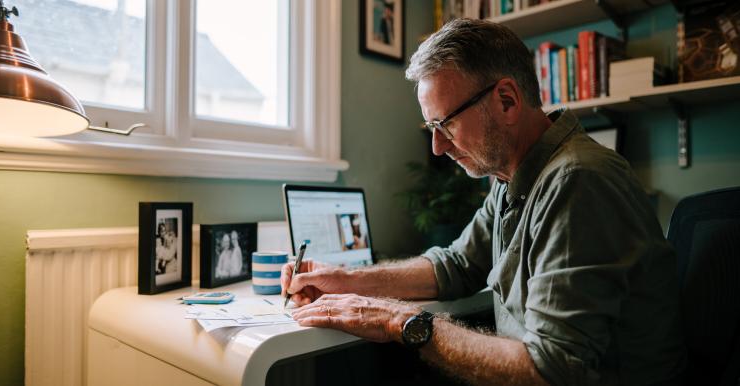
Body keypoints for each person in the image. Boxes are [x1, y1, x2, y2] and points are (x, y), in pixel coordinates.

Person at [282, 19, 686, 386]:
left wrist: (395, 320)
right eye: (431, 128)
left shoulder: (578, 181)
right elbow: (455, 266)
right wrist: (345, 280)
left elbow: (553, 369)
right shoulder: (513, 175)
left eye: (446, 124)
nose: (438, 147)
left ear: (507, 101)